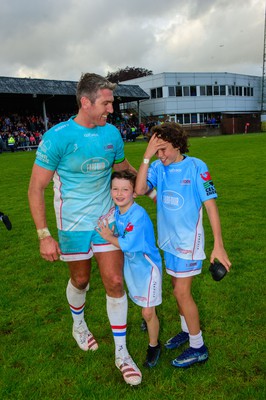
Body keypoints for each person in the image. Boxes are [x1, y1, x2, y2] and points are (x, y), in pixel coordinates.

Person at [28, 73, 142, 386]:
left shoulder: (112, 134)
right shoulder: (58, 136)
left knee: (115, 281)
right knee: (80, 279)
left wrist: (149, 179)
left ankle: (122, 353)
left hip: (106, 221)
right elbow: (36, 188)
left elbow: (122, 169)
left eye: (112, 102)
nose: (111, 108)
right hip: (72, 225)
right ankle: (79, 325)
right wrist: (44, 235)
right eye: (106, 103)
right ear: (86, 102)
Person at [135, 122, 232, 368]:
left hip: (189, 242)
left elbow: (211, 206)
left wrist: (218, 245)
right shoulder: (157, 166)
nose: (161, 155)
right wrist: (147, 157)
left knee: (181, 292)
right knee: (175, 286)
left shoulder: (197, 167)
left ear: (178, 145)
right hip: (168, 241)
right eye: (156, 151)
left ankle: (198, 347)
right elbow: (139, 189)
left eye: (163, 149)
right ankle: (186, 330)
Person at [96, 170, 162, 368]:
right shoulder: (118, 210)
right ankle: (148, 320)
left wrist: (108, 236)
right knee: (142, 307)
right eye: (115, 189)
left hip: (148, 269)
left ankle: (154, 346)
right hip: (132, 267)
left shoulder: (138, 215)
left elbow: (126, 244)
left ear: (134, 193)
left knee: (148, 312)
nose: (119, 193)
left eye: (125, 189)